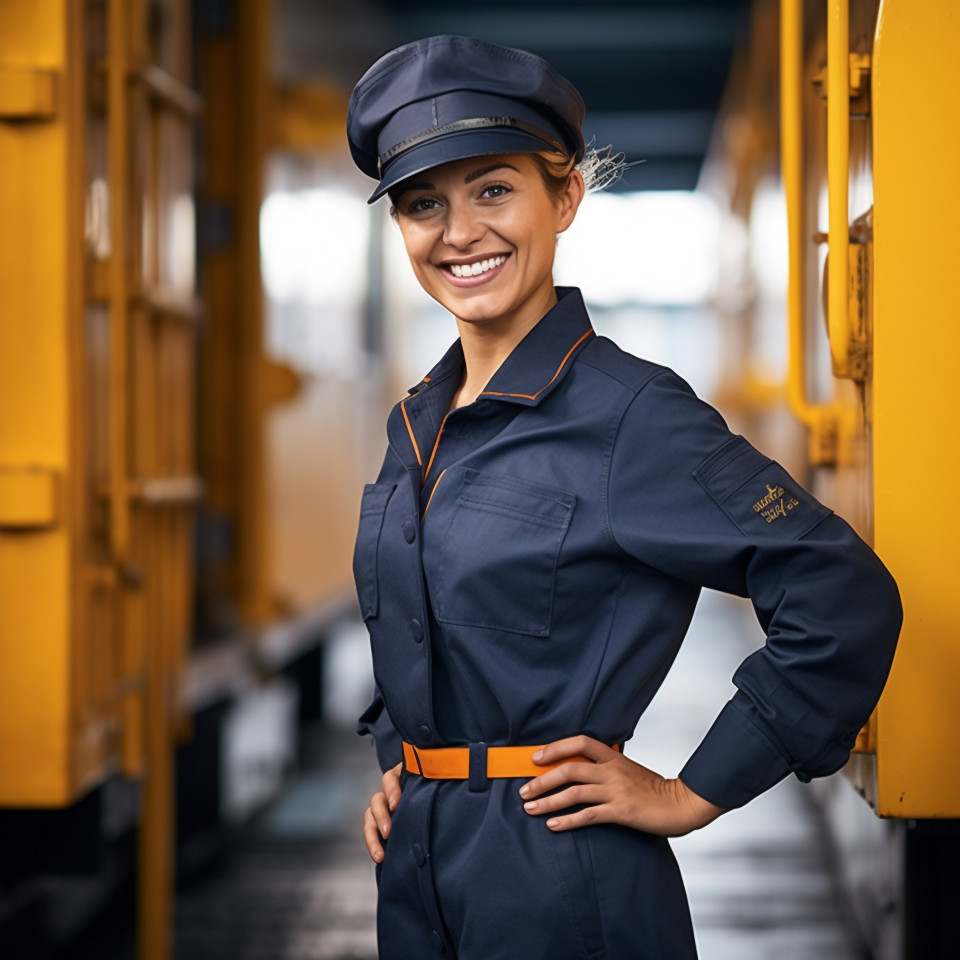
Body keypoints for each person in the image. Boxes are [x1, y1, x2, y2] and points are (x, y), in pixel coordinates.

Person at [346, 34, 901, 960]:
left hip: (561, 880)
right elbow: (420, 622)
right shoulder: (421, 423)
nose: (459, 232)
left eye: (494, 189)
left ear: (564, 196)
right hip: (419, 870)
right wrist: (411, 765)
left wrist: (693, 791)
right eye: (422, 204)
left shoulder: (631, 416)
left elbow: (840, 594)